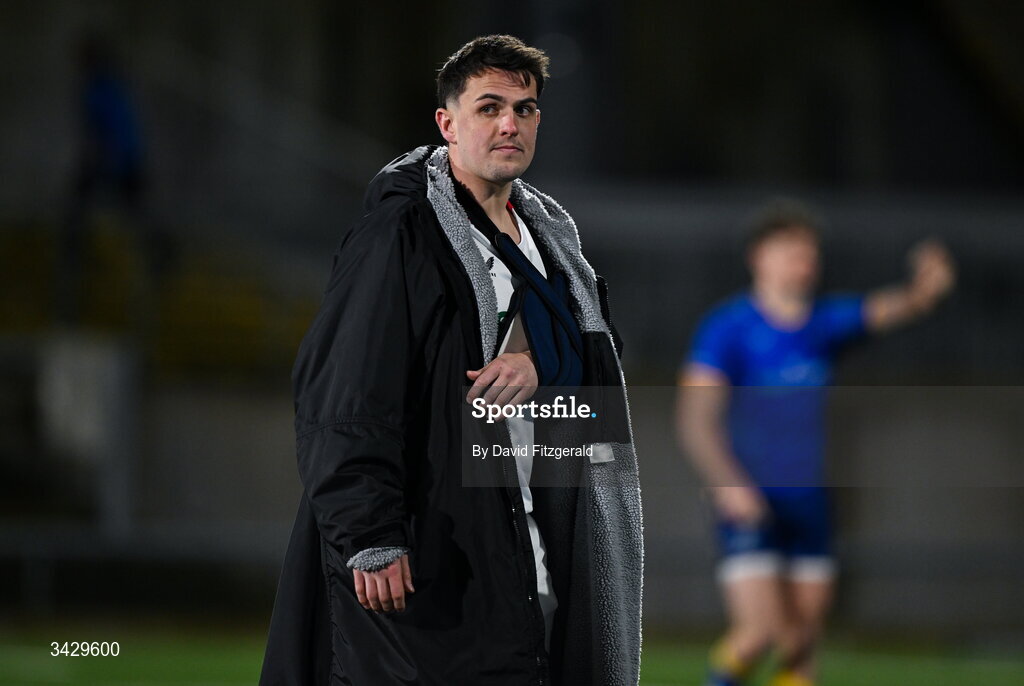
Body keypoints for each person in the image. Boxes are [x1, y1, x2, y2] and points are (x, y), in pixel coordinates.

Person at [259, 35, 643, 686]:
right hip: (432, 530)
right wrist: (370, 531)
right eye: (489, 106)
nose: (508, 124)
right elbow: (345, 385)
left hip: (531, 524)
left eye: (524, 109)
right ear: (448, 122)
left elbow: (597, 354)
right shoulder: (404, 228)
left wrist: (538, 361)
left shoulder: (551, 230)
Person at [675, 199, 955, 686]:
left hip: (810, 502)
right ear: (758, 257)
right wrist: (728, 485)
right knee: (760, 631)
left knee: (801, 640)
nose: (801, 263)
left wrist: (924, 291)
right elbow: (695, 419)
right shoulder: (728, 328)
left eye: (808, 253)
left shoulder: (822, 324)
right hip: (751, 501)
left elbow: (890, 308)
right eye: (788, 251)